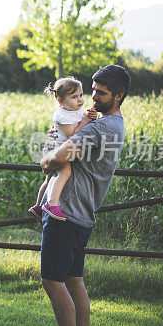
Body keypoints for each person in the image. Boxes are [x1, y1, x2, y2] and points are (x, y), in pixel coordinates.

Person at [36, 64, 130, 326]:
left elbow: (57, 158)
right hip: (83, 214)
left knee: (51, 279)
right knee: (74, 281)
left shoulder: (99, 128)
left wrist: (47, 155)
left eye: (100, 93)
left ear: (119, 96)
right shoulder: (114, 125)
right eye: (92, 90)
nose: (92, 97)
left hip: (66, 211)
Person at [28, 77, 98, 223]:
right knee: (65, 172)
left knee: (49, 180)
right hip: (56, 150)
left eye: (80, 95)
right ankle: (51, 205)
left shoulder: (76, 110)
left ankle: (37, 206)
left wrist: (91, 116)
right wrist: (86, 121)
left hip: (60, 149)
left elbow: (85, 121)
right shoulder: (61, 115)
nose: (80, 100)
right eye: (74, 97)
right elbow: (72, 134)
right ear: (60, 101)